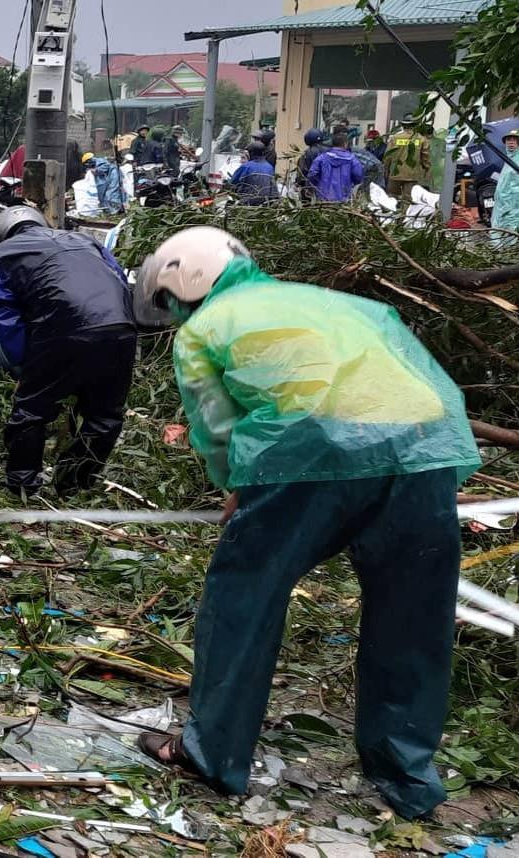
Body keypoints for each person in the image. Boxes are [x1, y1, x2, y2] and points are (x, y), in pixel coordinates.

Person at [133, 227, 479, 821]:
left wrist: (238, 489)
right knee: (413, 614)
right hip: (424, 451)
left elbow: (216, 430)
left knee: (244, 594)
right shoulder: (343, 303)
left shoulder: (204, 330)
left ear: (181, 281)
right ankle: (408, 777)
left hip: (312, 450)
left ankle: (210, 753)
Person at [0, 206, 137, 495]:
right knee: (105, 415)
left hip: (62, 327)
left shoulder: (0, 255)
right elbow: (119, 280)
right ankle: (73, 486)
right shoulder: (86, 241)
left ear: (1, 233)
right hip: (120, 326)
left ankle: (23, 487)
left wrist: (29, 361)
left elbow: (0, 314)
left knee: (31, 410)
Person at [307, 129, 366, 202]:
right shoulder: (352, 160)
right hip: (344, 198)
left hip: (323, 198)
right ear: (345, 144)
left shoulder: (321, 158)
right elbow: (358, 176)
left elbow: (312, 174)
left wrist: (319, 185)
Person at [228, 140, 279, 205]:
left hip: (247, 204)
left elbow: (232, 183)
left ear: (251, 153)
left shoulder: (246, 167)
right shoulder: (269, 167)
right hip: (265, 205)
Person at [492, 128, 519, 247]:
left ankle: (508, 256)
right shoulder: (507, 159)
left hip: (513, 205)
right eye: (508, 139)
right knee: (497, 229)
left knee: (510, 230)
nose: (511, 142)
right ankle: (497, 253)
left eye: (514, 139)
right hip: (500, 204)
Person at [296, 128, 329, 200]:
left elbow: (303, 172)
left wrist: (298, 183)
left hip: (311, 188)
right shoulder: (329, 150)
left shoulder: (308, 153)